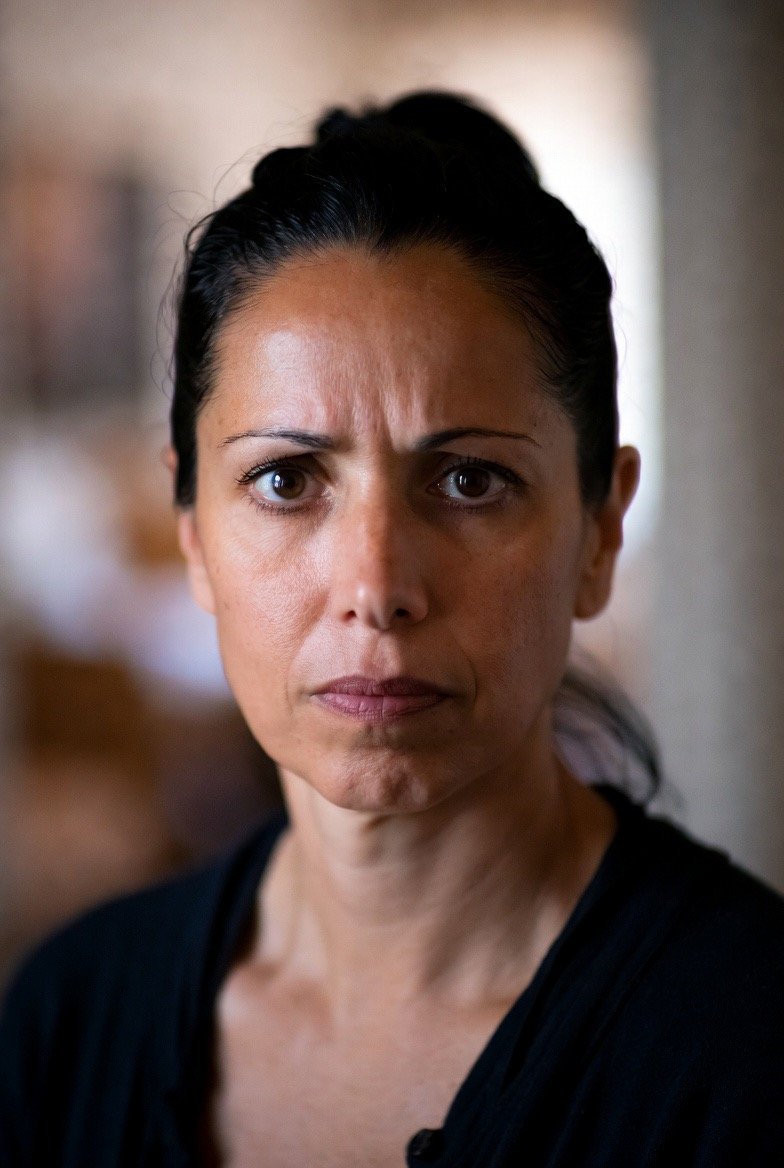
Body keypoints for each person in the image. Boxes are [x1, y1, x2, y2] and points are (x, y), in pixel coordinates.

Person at [2, 90, 784, 1168]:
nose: (375, 587)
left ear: (599, 531)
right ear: (194, 533)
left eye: (469, 480)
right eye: (286, 479)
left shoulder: (751, 1052)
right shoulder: (68, 1019)